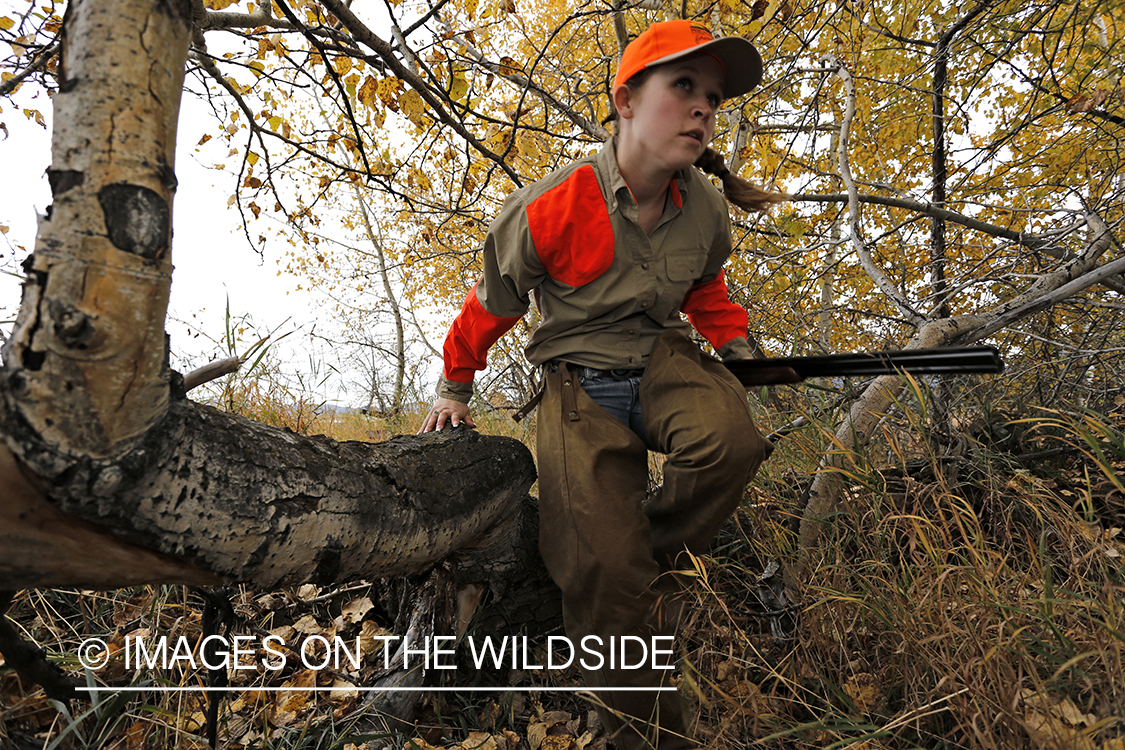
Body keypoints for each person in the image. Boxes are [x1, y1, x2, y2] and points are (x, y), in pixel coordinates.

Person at [419, 19, 783, 750]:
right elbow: (492, 304)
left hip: (662, 358)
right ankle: (644, 732)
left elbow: (704, 291)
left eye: (712, 97)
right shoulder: (551, 206)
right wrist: (454, 388)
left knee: (731, 440)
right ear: (624, 100)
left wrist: (738, 349)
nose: (704, 108)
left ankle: (628, 553)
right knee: (606, 582)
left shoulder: (705, 209)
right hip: (575, 378)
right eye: (683, 87)